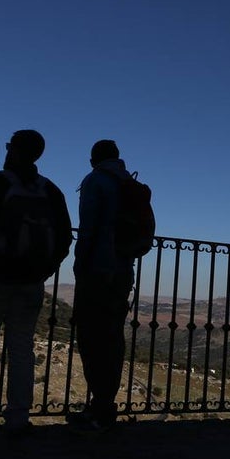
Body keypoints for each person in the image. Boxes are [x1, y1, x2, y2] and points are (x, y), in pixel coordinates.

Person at [0, 130, 71, 434]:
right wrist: (45, 270)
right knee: (21, 350)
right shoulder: (51, 191)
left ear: (14, 151)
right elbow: (64, 237)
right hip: (30, 282)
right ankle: (18, 418)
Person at [69, 139, 143, 432]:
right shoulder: (129, 182)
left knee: (90, 336)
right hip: (124, 270)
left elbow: (88, 227)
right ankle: (106, 404)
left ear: (92, 159)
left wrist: (79, 263)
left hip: (97, 271)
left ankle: (98, 405)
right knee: (112, 336)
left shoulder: (95, 180)